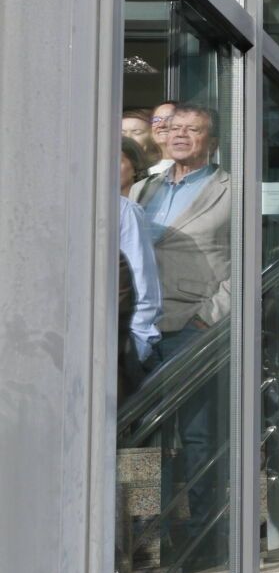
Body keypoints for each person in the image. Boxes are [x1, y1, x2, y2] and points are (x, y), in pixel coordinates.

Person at [133, 103, 233, 570]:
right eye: (174, 128)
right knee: (145, 433)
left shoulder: (232, 190)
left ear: (212, 141)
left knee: (198, 437)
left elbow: (248, 261)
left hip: (194, 326)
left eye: (193, 130)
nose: (181, 136)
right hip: (141, 326)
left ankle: (202, 542)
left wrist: (210, 317)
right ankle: (149, 538)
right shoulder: (143, 188)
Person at [116, 136, 163, 394]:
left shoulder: (126, 211)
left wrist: (138, 340)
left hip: (121, 342)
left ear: (135, 167)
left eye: (118, 159)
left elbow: (141, 278)